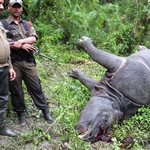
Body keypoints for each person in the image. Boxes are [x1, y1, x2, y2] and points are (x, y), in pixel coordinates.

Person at [2, 0, 55, 126]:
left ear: (21, 8)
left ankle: (45, 111)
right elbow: (3, 42)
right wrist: (20, 46)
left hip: (28, 61)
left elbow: (33, 38)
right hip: (13, 62)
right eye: (14, 6)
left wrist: (22, 42)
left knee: (36, 86)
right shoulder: (3, 24)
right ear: (9, 7)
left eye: (18, 7)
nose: (16, 9)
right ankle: (21, 114)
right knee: (16, 89)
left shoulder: (27, 24)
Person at [0, 0, 16, 136]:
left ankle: (2, 127)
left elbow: (5, 45)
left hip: (4, 68)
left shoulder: (0, 24)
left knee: (3, 98)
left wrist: (9, 66)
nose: (1, 7)